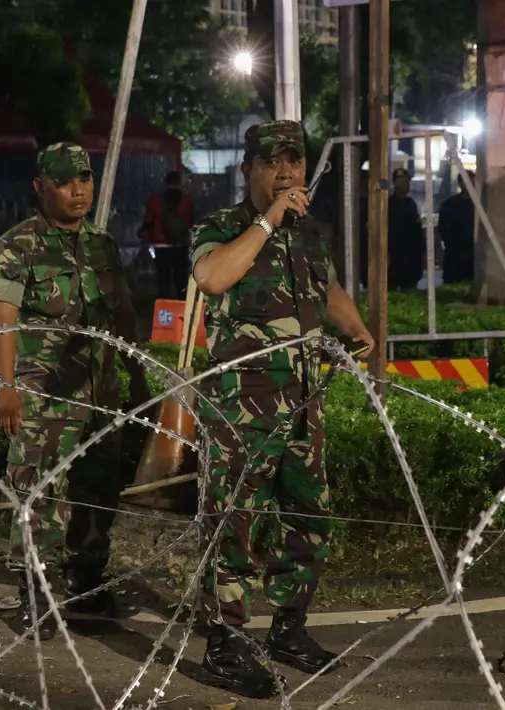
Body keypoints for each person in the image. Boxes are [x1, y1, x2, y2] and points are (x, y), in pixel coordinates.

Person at [189, 120, 374, 698]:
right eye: (273, 162)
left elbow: (328, 290)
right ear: (248, 169)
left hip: (303, 403)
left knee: (309, 517)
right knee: (234, 523)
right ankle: (225, 644)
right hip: (240, 411)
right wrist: (267, 222)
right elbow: (213, 278)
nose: (286, 171)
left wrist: (359, 329)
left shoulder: (307, 233)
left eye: (294, 161)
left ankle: (288, 629)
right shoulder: (221, 228)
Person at [0, 142, 151, 640]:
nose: (77, 190)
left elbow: (121, 311)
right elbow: (0, 323)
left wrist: (135, 370)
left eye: (84, 180)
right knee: (38, 490)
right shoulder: (17, 246)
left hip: (100, 389)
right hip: (43, 394)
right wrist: (6, 388)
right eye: (64, 181)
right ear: (40, 188)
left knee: (99, 488)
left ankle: (88, 578)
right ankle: (34, 591)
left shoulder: (102, 245)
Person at [140, 170, 196, 299]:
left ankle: (164, 314)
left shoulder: (155, 200)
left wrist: (145, 235)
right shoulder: (187, 200)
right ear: (179, 182)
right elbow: (191, 222)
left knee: (163, 282)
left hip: (161, 246)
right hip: (181, 245)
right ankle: (182, 311)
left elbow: (148, 222)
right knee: (181, 282)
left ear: (165, 183)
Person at [388, 166, 425, 290]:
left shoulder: (411, 204)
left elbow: (417, 231)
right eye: (401, 182)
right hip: (394, 256)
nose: (404, 185)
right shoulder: (388, 205)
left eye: (406, 182)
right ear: (394, 183)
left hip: (411, 257)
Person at [438, 171, 477, 284]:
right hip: (455, 254)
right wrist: (451, 243)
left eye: (472, 180)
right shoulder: (450, 205)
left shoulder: (479, 204)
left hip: (474, 254)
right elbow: (442, 227)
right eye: (466, 181)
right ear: (460, 184)